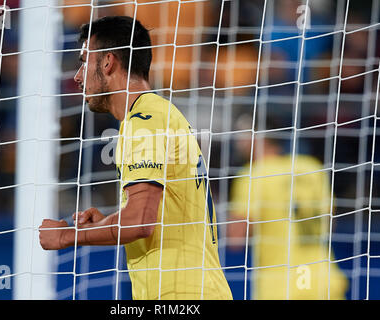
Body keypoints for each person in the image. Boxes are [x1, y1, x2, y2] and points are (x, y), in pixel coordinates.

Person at [39, 16, 232, 300]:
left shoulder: (145, 120)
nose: (78, 76)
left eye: (83, 61)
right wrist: (107, 223)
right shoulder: (155, 114)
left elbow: (140, 221)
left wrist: (67, 237)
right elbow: (154, 217)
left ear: (108, 62)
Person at [227, 115, 348, 300]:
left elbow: (235, 239)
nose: (238, 142)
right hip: (324, 280)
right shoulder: (311, 167)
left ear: (258, 137)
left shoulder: (253, 175)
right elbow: (330, 222)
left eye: (242, 134)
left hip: (282, 286)